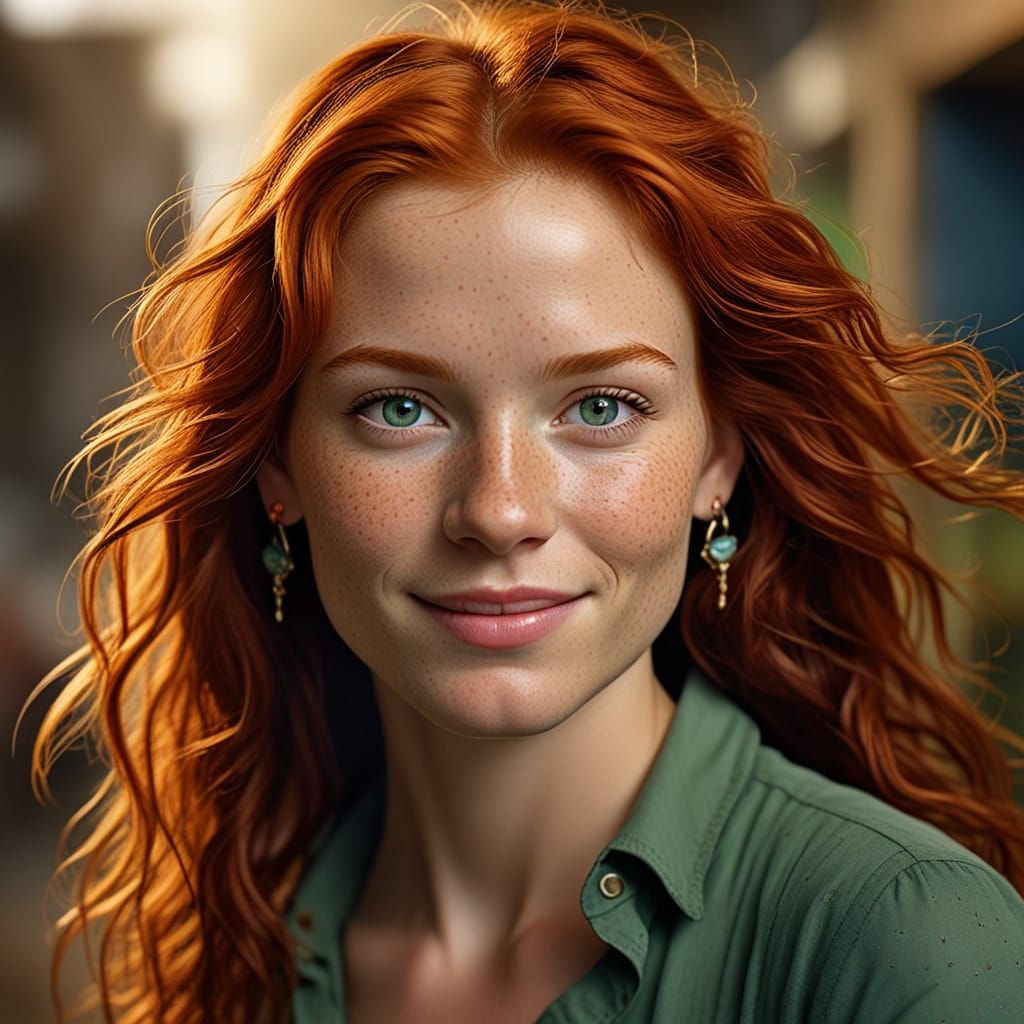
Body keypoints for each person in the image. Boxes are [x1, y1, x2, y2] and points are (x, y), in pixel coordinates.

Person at [19, 1, 1024, 1021]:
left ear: (717, 457)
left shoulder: (904, 943)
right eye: (398, 408)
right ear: (278, 465)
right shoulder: (241, 937)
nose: (499, 511)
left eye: (600, 407)